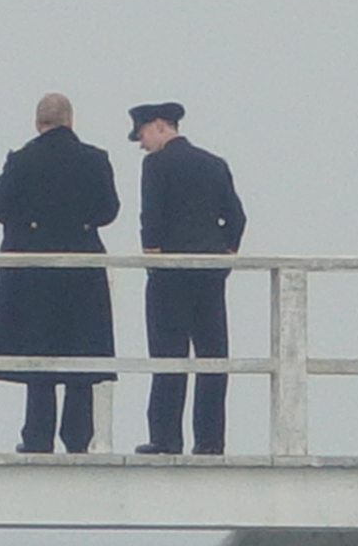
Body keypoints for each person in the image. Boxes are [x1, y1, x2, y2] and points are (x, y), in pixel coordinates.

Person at [0, 92, 119, 453]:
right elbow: (108, 211)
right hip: (82, 272)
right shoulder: (95, 160)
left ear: (37, 123)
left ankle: (37, 438)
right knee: (81, 357)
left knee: (38, 355)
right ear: (71, 121)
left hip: (34, 273)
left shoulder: (23, 160)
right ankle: (77, 439)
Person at [130, 100, 246, 456]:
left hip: (169, 277)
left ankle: (166, 438)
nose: (140, 142)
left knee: (168, 357)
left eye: (143, 133)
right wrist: (224, 257)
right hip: (210, 275)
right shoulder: (214, 164)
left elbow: (151, 220)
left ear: (161, 125)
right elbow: (237, 218)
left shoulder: (156, 165)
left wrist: (153, 257)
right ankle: (210, 441)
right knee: (213, 358)